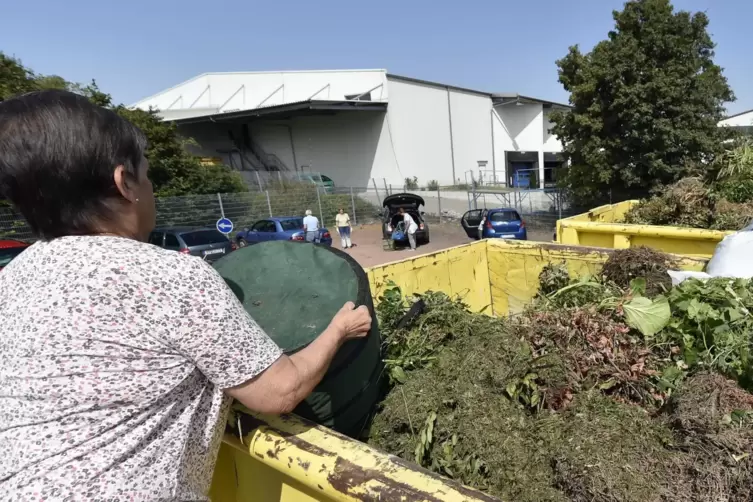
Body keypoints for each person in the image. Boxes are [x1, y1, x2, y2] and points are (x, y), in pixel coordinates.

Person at [0, 90, 372, 501]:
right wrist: (339, 329)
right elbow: (278, 392)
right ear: (125, 183)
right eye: (147, 175)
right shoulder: (167, 276)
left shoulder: (14, 277)